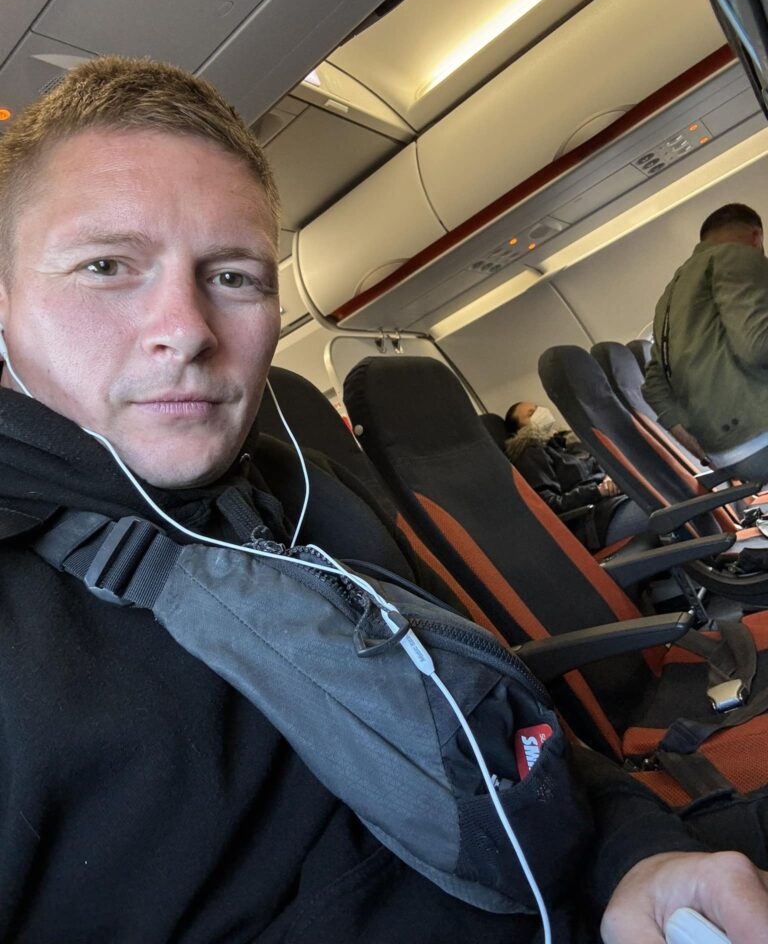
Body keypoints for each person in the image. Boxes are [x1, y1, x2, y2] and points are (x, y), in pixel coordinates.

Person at [0, 56, 767, 944]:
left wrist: (641, 857)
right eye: (106, 265)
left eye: (235, 277)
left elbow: (503, 740)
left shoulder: (304, 503)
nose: (188, 329)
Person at [643, 203, 768, 482]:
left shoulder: (669, 295)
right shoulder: (737, 256)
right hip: (760, 435)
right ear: (756, 237)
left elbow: (654, 388)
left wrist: (705, 452)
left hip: (729, 456)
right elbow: (758, 346)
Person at [504, 401, 647, 549]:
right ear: (518, 430)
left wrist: (609, 477)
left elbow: (601, 465)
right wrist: (598, 491)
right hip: (594, 521)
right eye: (531, 414)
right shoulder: (530, 454)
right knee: (660, 511)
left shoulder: (567, 442)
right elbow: (550, 505)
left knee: (660, 495)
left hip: (614, 501)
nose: (540, 412)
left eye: (537, 408)